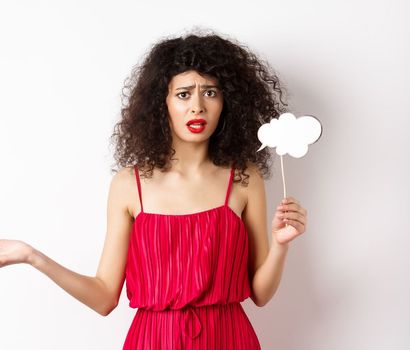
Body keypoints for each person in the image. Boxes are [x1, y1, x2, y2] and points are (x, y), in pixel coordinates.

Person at [0, 30, 308, 349]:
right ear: (162, 102)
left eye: (211, 93)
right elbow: (104, 296)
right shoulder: (127, 185)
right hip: (153, 341)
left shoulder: (245, 178)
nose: (197, 107)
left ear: (227, 102)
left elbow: (260, 294)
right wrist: (31, 255)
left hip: (228, 339)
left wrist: (281, 245)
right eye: (184, 94)